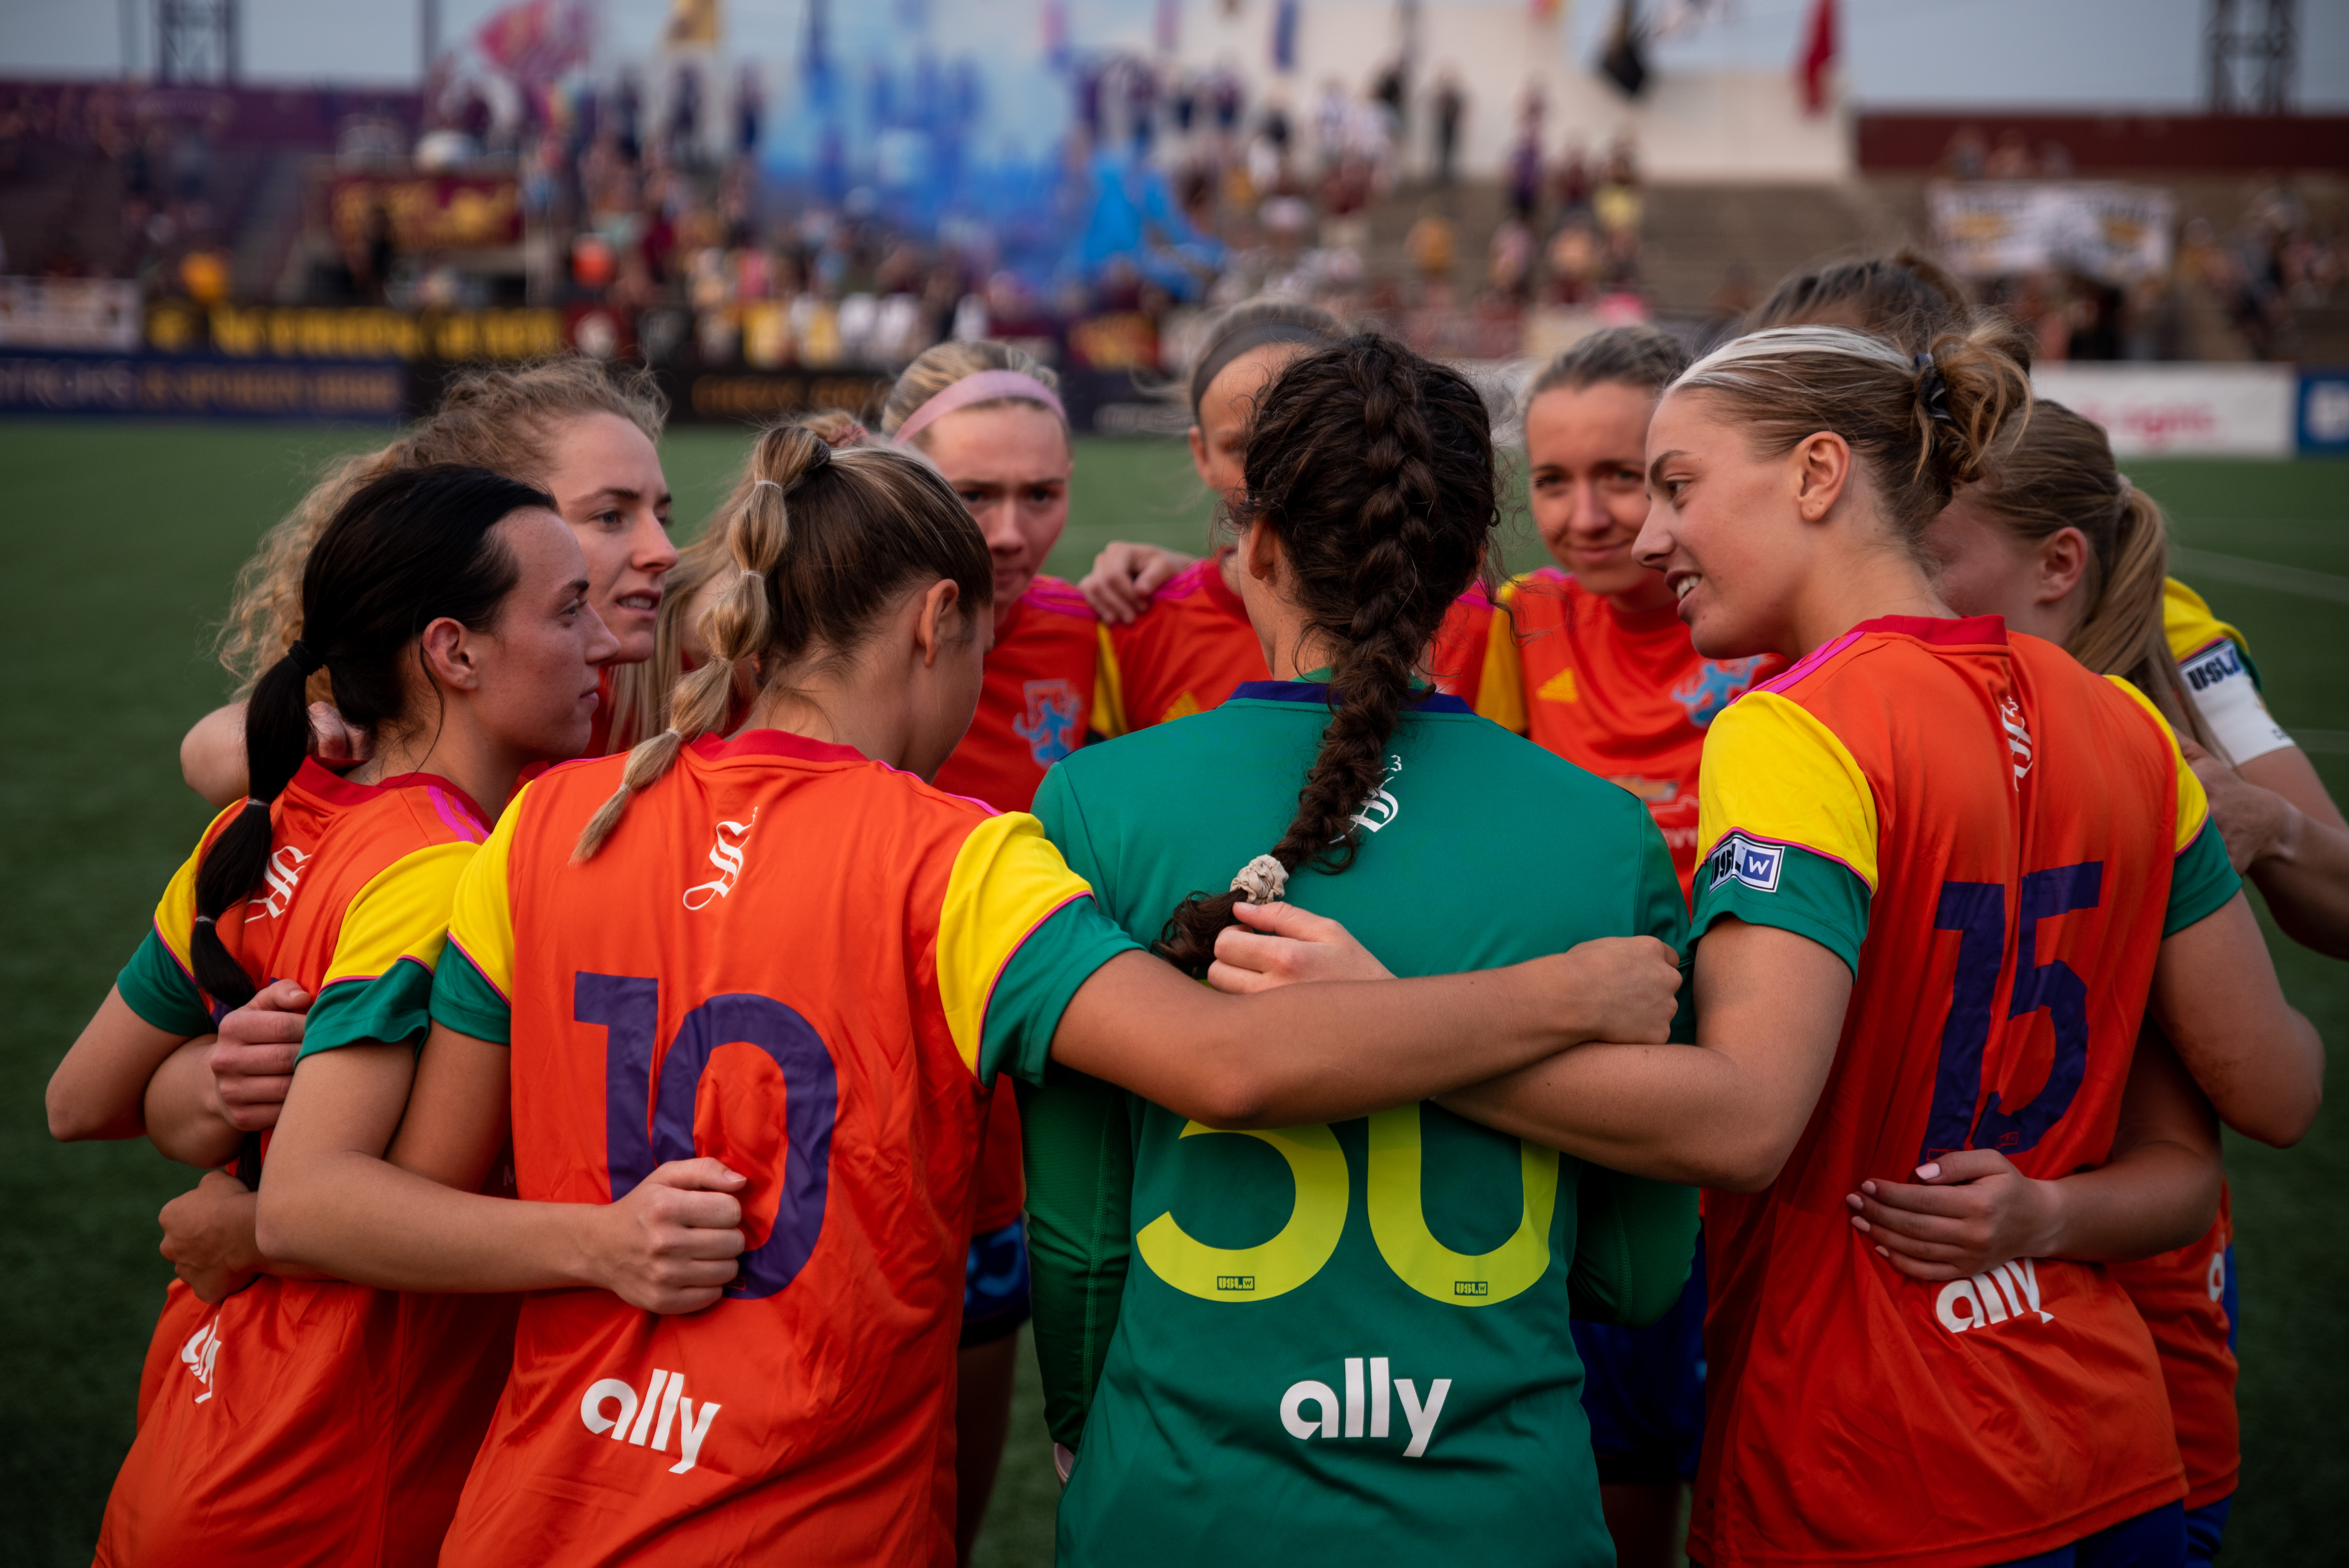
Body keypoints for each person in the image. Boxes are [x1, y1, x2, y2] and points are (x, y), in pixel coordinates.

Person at [250, 424, 1682, 1566]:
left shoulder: (553, 823)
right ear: (943, 616)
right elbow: (1225, 1068)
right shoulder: (958, 857)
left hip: (545, 1511)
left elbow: (419, 1186)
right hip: (808, 1522)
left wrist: (590, 1243)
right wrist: (1558, 993)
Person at [1219, 320, 2318, 1567]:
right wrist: (2047, 1213)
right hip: (2107, 1447)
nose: (1645, 534)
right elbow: (2273, 1090)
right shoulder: (2118, 722)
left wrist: (1391, 1028)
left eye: (1677, 485)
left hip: (1870, 1458)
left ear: (1814, 474)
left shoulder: (1793, 728)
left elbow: (1741, 1123)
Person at [1021, 335, 1703, 1565]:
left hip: (1181, 1501)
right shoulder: (1605, 839)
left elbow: (1079, 1233)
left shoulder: (1093, 803)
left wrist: (1084, 1426)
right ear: (1473, 562)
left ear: (1257, 544)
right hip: (1499, 1511)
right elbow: (1631, 1270)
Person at [46, 464, 621, 1566]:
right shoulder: (446, 874)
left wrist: (212, 1074)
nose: (601, 642)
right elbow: (322, 1202)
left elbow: (78, 1098)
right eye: (566, 610)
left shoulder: (264, 825)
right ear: (452, 652)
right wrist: (614, 1245)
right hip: (326, 1476)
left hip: (193, 1430)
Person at [1919, 401, 2348, 1562]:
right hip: (1969, 1277)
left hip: (2118, 1281)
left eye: (1927, 550)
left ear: (2062, 562)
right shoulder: (1890, 693)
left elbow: (2272, 1087)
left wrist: (2271, 833)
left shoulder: (2168, 667)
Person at [178, 359, 679, 804]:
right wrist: (311, 735)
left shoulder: (683, 638)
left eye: (663, 517)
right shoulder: (412, 710)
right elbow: (207, 750)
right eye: (612, 517)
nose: (665, 553)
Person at [1458, 325, 1782, 894]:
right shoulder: (1524, 618)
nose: (1585, 518)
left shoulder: (1778, 628)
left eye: (1621, 477)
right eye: (1553, 481)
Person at [881, 341, 1112, 812]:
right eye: (974, 494)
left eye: (1041, 495)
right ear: (895, 482)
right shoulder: (816, 635)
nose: (1009, 535)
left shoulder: (1091, 626)